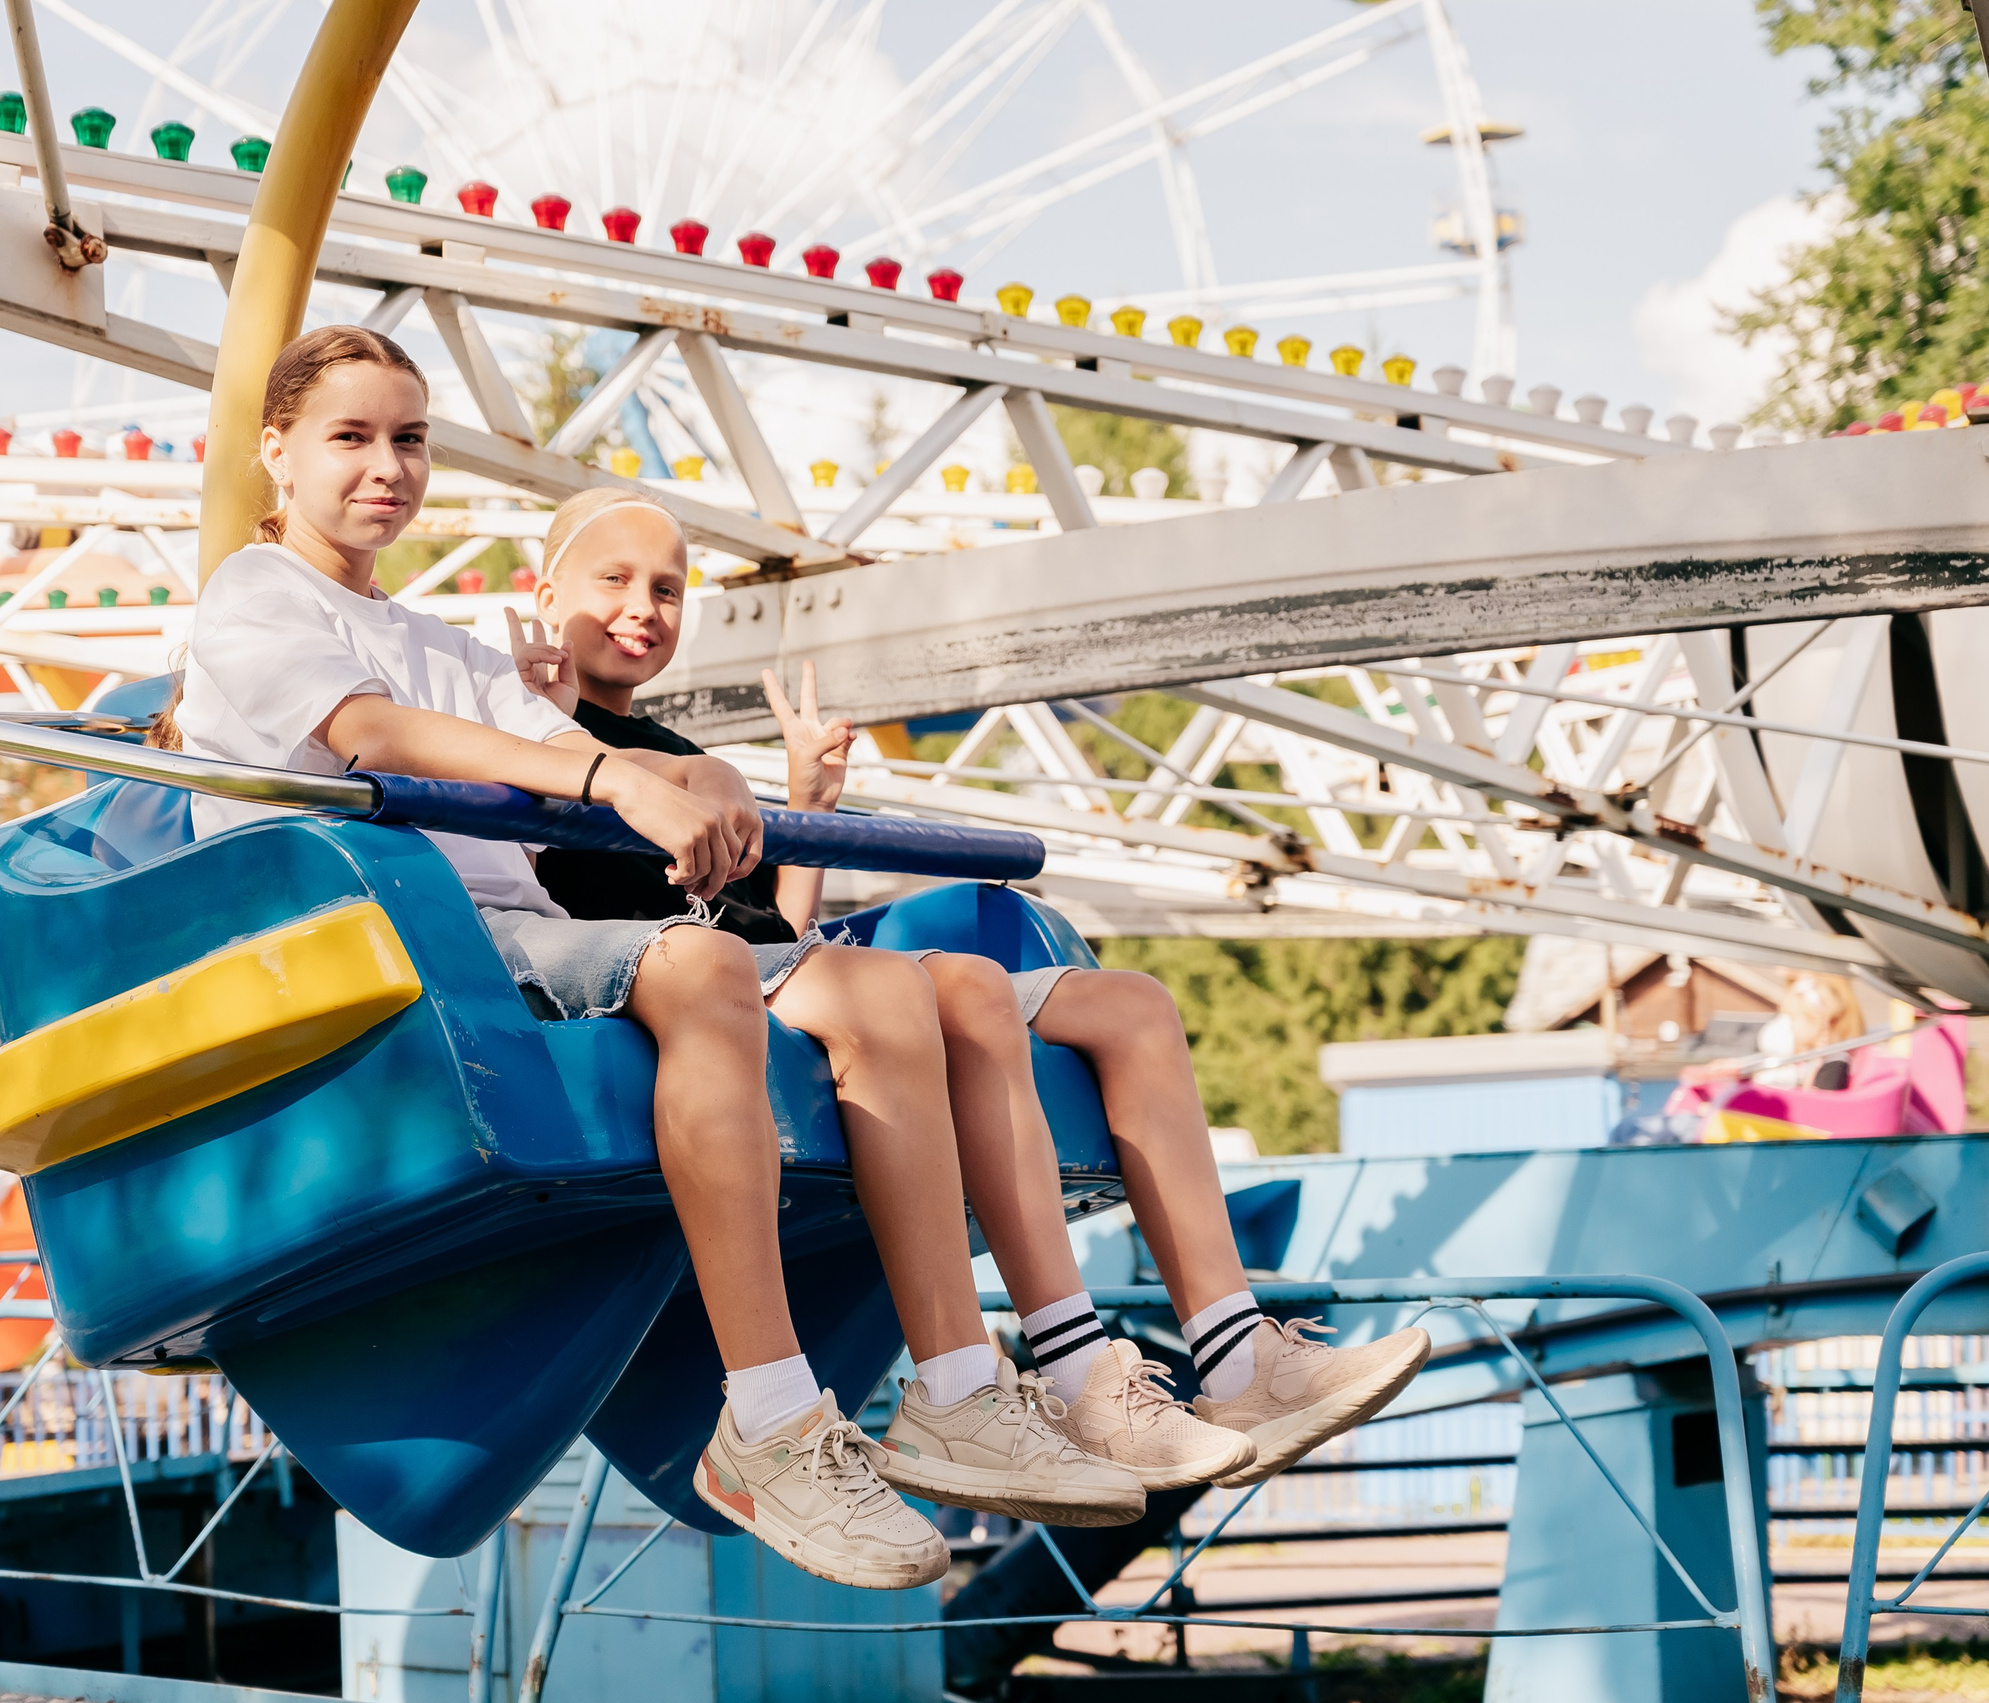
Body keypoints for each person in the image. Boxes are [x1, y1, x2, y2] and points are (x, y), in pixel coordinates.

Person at [163, 326, 1141, 1590]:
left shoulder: (443, 642)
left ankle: (953, 1383)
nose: (387, 467)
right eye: (352, 436)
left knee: (850, 979)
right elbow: (370, 730)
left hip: (497, 938)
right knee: (695, 966)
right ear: (275, 449)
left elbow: (587, 735)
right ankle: (773, 1410)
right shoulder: (255, 597)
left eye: (408, 438)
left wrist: (719, 778)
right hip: (372, 939)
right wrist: (608, 772)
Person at [517, 489, 1432, 1489]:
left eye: (667, 587)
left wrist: (805, 803)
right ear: (545, 587)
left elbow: (771, 932)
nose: (642, 606)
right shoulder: (514, 729)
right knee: (962, 986)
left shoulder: (692, 759)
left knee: (1129, 1005)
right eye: (613, 580)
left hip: (772, 969)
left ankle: (1236, 1350)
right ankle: (1075, 1368)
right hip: (673, 988)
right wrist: (551, 722)